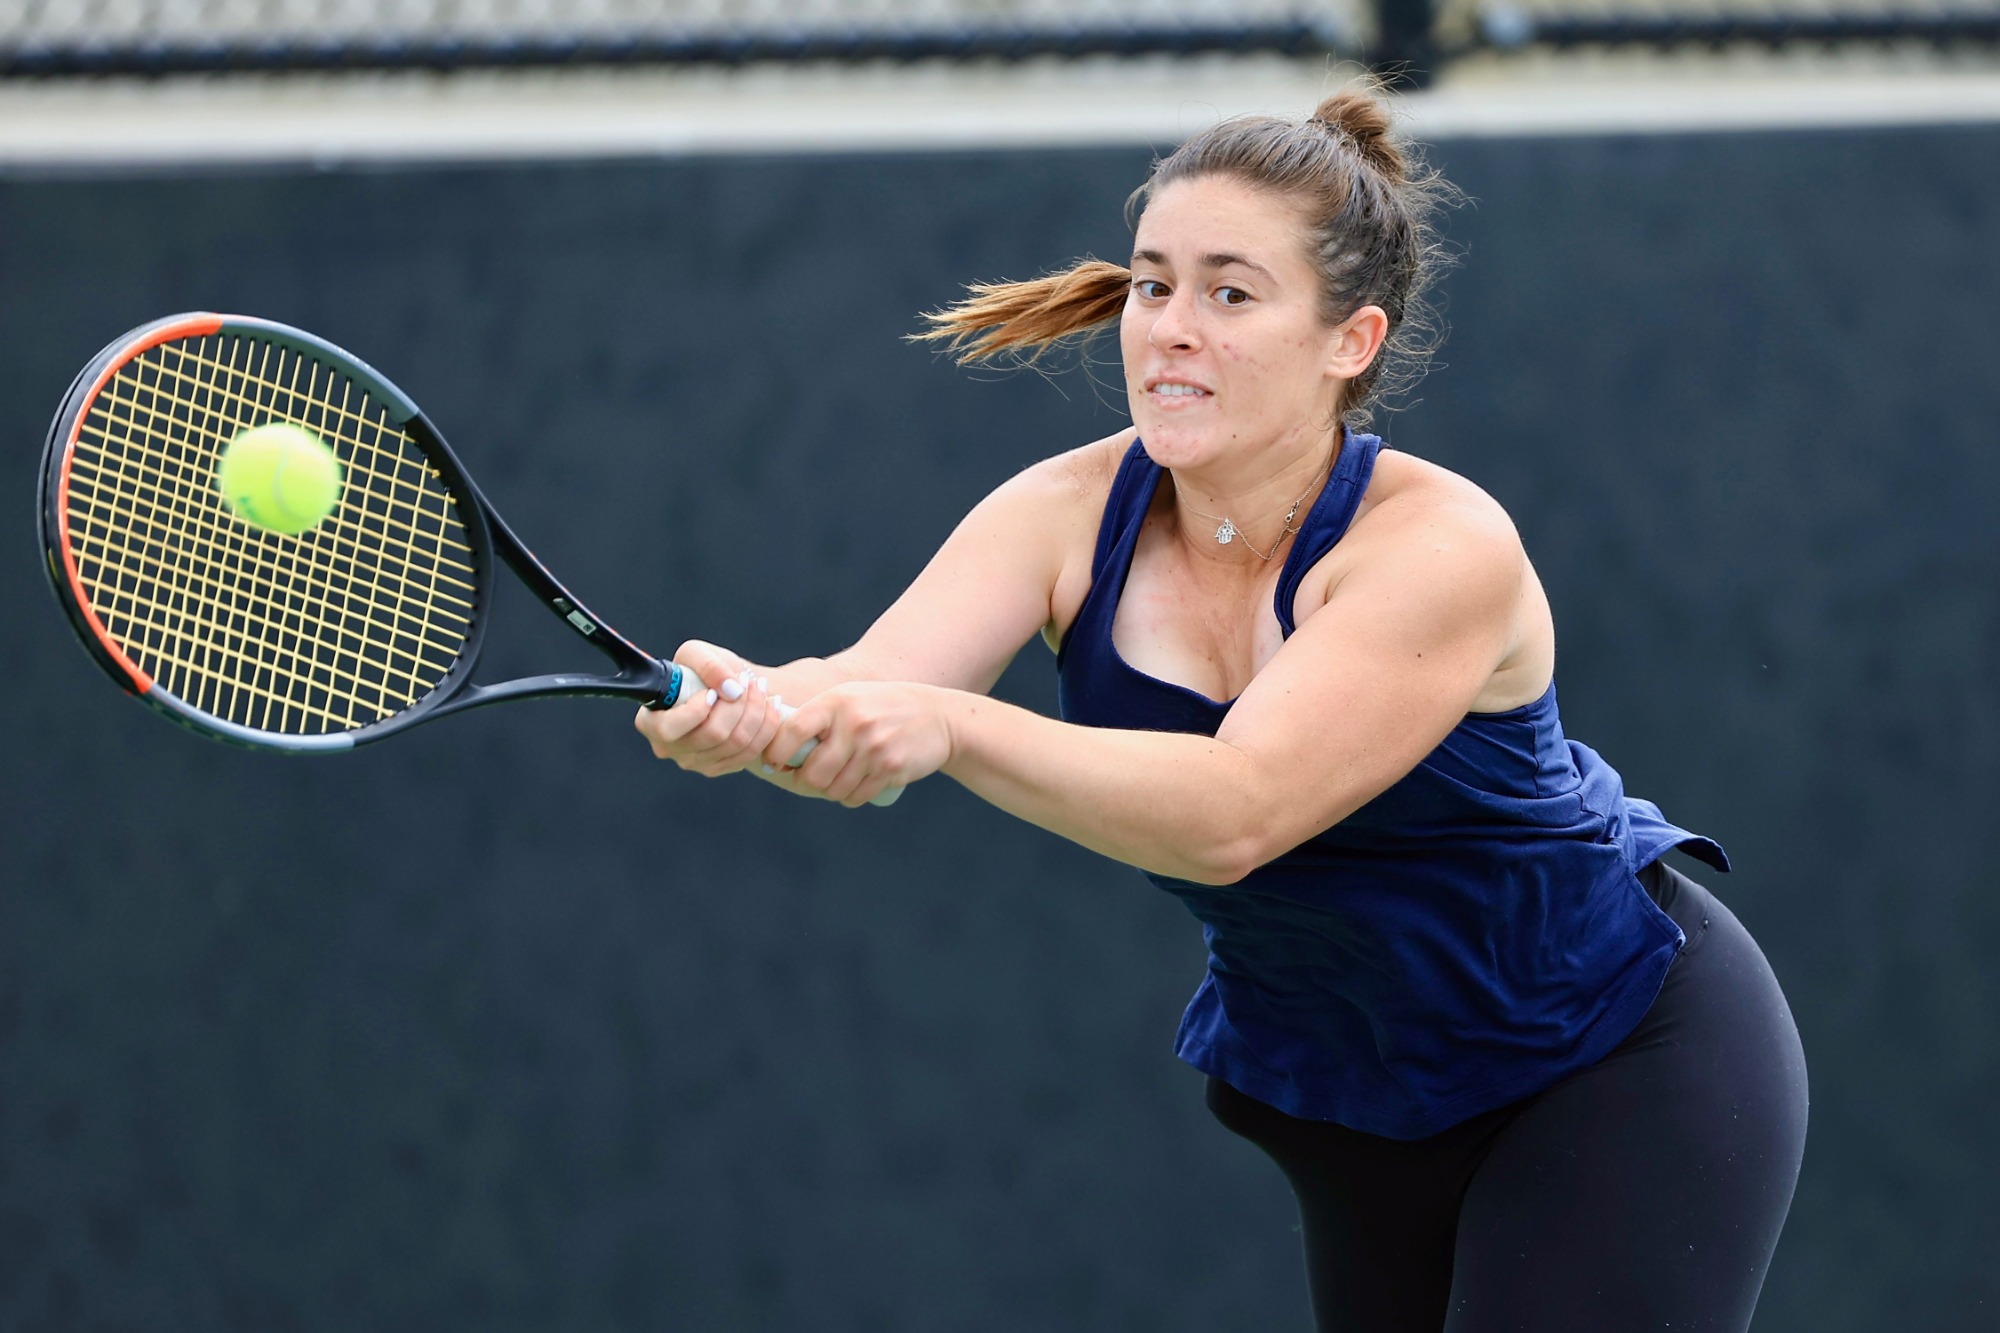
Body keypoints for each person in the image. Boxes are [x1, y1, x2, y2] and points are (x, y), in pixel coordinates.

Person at [633, 84, 1808, 1333]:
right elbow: (872, 682)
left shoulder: (1440, 546)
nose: (1169, 330)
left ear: (1348, 341)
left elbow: (1235, 813)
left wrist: (952, 730)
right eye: (1151, 285)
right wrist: (752, 709)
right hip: (1353, 1089)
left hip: (1613, 1055)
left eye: (1229, 294)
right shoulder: (1059, 512)